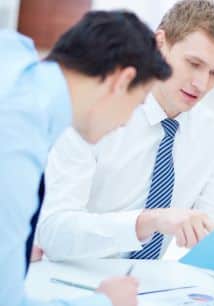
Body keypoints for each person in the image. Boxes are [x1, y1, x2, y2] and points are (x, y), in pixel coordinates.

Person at [36, 0, 214, 261]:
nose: (201, 84)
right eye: (194, 63)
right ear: (160, 43)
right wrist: (146, 222)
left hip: (153, 290)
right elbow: (53, 233)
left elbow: (212, 237)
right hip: (76, 282)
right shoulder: (96, 111)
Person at [0, 10, 171, 306]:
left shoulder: (12, 58)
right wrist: (104, 302)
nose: (126, 122)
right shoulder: (20, 134)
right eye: (137, 102)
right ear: (122, 80)